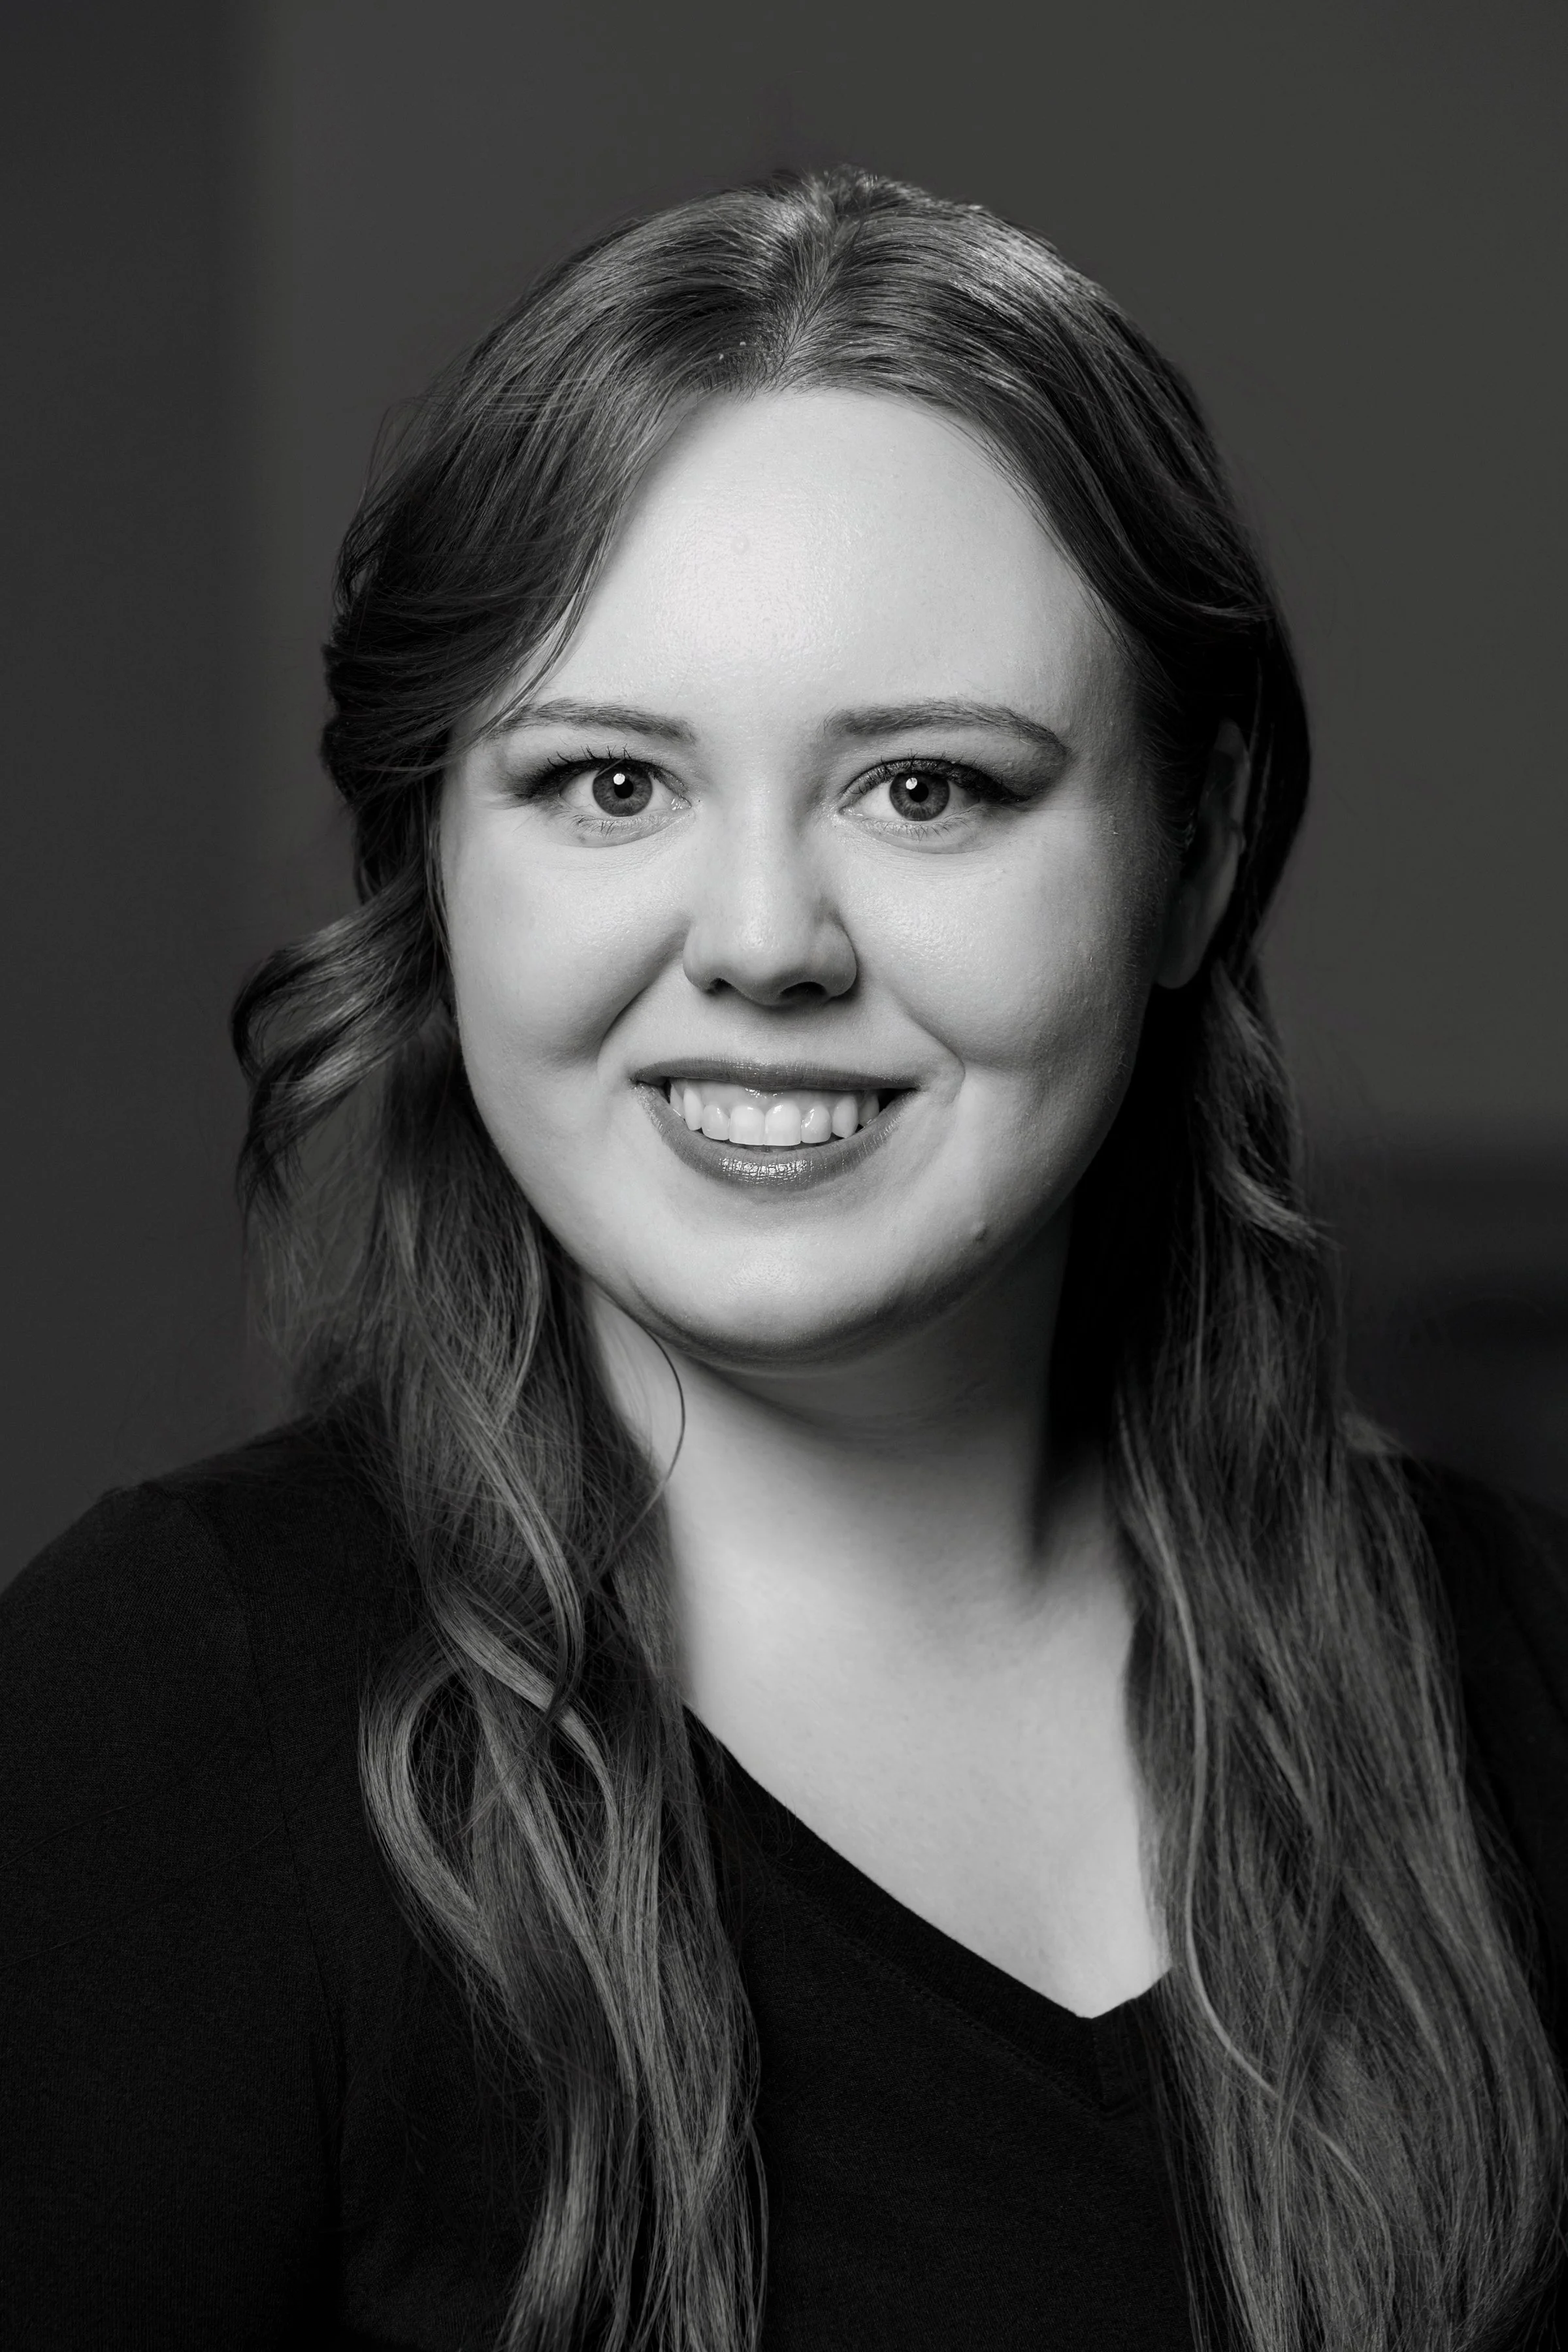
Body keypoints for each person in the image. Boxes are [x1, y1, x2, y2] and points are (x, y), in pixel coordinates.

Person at [2, 165, 1564, 2352]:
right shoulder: (155, 1733)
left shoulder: (1526, 1686)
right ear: (435, 860)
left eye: (926, 790)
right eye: (608, 784)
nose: (759, 945)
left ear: (1194, 856)